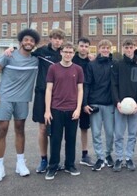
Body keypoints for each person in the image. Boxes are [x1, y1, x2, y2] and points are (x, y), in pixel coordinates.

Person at [0, 29, 40, 182]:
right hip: (4, 98)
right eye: (26, 40)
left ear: (35, 44)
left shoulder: (35, 59)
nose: (29, 42)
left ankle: (20, 163)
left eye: (32, 41)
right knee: (1, 130)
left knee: (20, 129)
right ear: (21, 41)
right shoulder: (8, 56)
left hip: (22, 100)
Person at [44, 42, 84, 180]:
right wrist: (47, 110)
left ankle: (69, 164)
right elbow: (49, 90)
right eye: (65, 51)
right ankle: (53, 166)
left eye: (70, 52)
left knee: (71, 139)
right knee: (55, 139)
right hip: (56, 109)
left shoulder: (78, 69)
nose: (68, 54)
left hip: (72, 110)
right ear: (61, 52)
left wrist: (78, 108)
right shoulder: (53, 68)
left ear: (74, 53)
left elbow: (80, 90)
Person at [111, 39, 137, 172]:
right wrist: (117, 102)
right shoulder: (117, 64)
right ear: (123, 48)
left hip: (135, 107)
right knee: (119, 134)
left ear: (134, 47)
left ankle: (129, 158)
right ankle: (119, 158)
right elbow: (113, 85)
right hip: (120, 106)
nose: (129, 49)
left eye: (131, 47)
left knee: (132, 134)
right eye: (126, 47)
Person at [32, 29, 65, 173]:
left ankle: (55, 160)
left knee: (57, 130)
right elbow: (24, 52)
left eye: (60, 39)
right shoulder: (41, 51)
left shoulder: (64, 53)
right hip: (41, 93)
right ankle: (44, 159)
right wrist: (10, 49)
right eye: (55, 38)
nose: (57, 41)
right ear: (50, 39)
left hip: (59, 96)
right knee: (43, 128)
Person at [83, 39, 115, 171]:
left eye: (107, 48)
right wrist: (85, 103)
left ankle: (108, 155)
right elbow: (87, 84)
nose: (105, 50)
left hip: (109, 103)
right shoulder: (92, 65)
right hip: (95, 103)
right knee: (96, 133)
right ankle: (100, 157)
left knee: (109, 132)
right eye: (103, 47)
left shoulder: (115, 64)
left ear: (110, 49)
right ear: (99, 49)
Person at [72, 37, 93, 167]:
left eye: (86, 46)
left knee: (84, 128)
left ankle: (84, 155)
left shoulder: (91, 61)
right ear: (77, 46)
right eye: (81, 45)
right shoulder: (71, 59)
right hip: (70, 98)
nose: (83, 48)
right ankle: (69, 156)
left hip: (85, 98)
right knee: (69, 128)